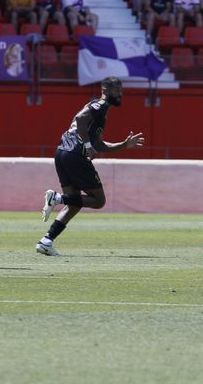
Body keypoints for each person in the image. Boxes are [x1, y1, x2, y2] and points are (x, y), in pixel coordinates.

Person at [35, 76, 144, 256]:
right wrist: (87, 146)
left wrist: (123, 145)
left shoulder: (99, 109)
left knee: (74, 202)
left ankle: (46, 241)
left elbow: (99, 145)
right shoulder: (100, 105)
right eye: (116, 90)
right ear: (105, 90)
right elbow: (80, 119)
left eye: (121, 90)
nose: (120, 93)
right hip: (75, 155)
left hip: (62, 153)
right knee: (99, 201)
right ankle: (57, 198)